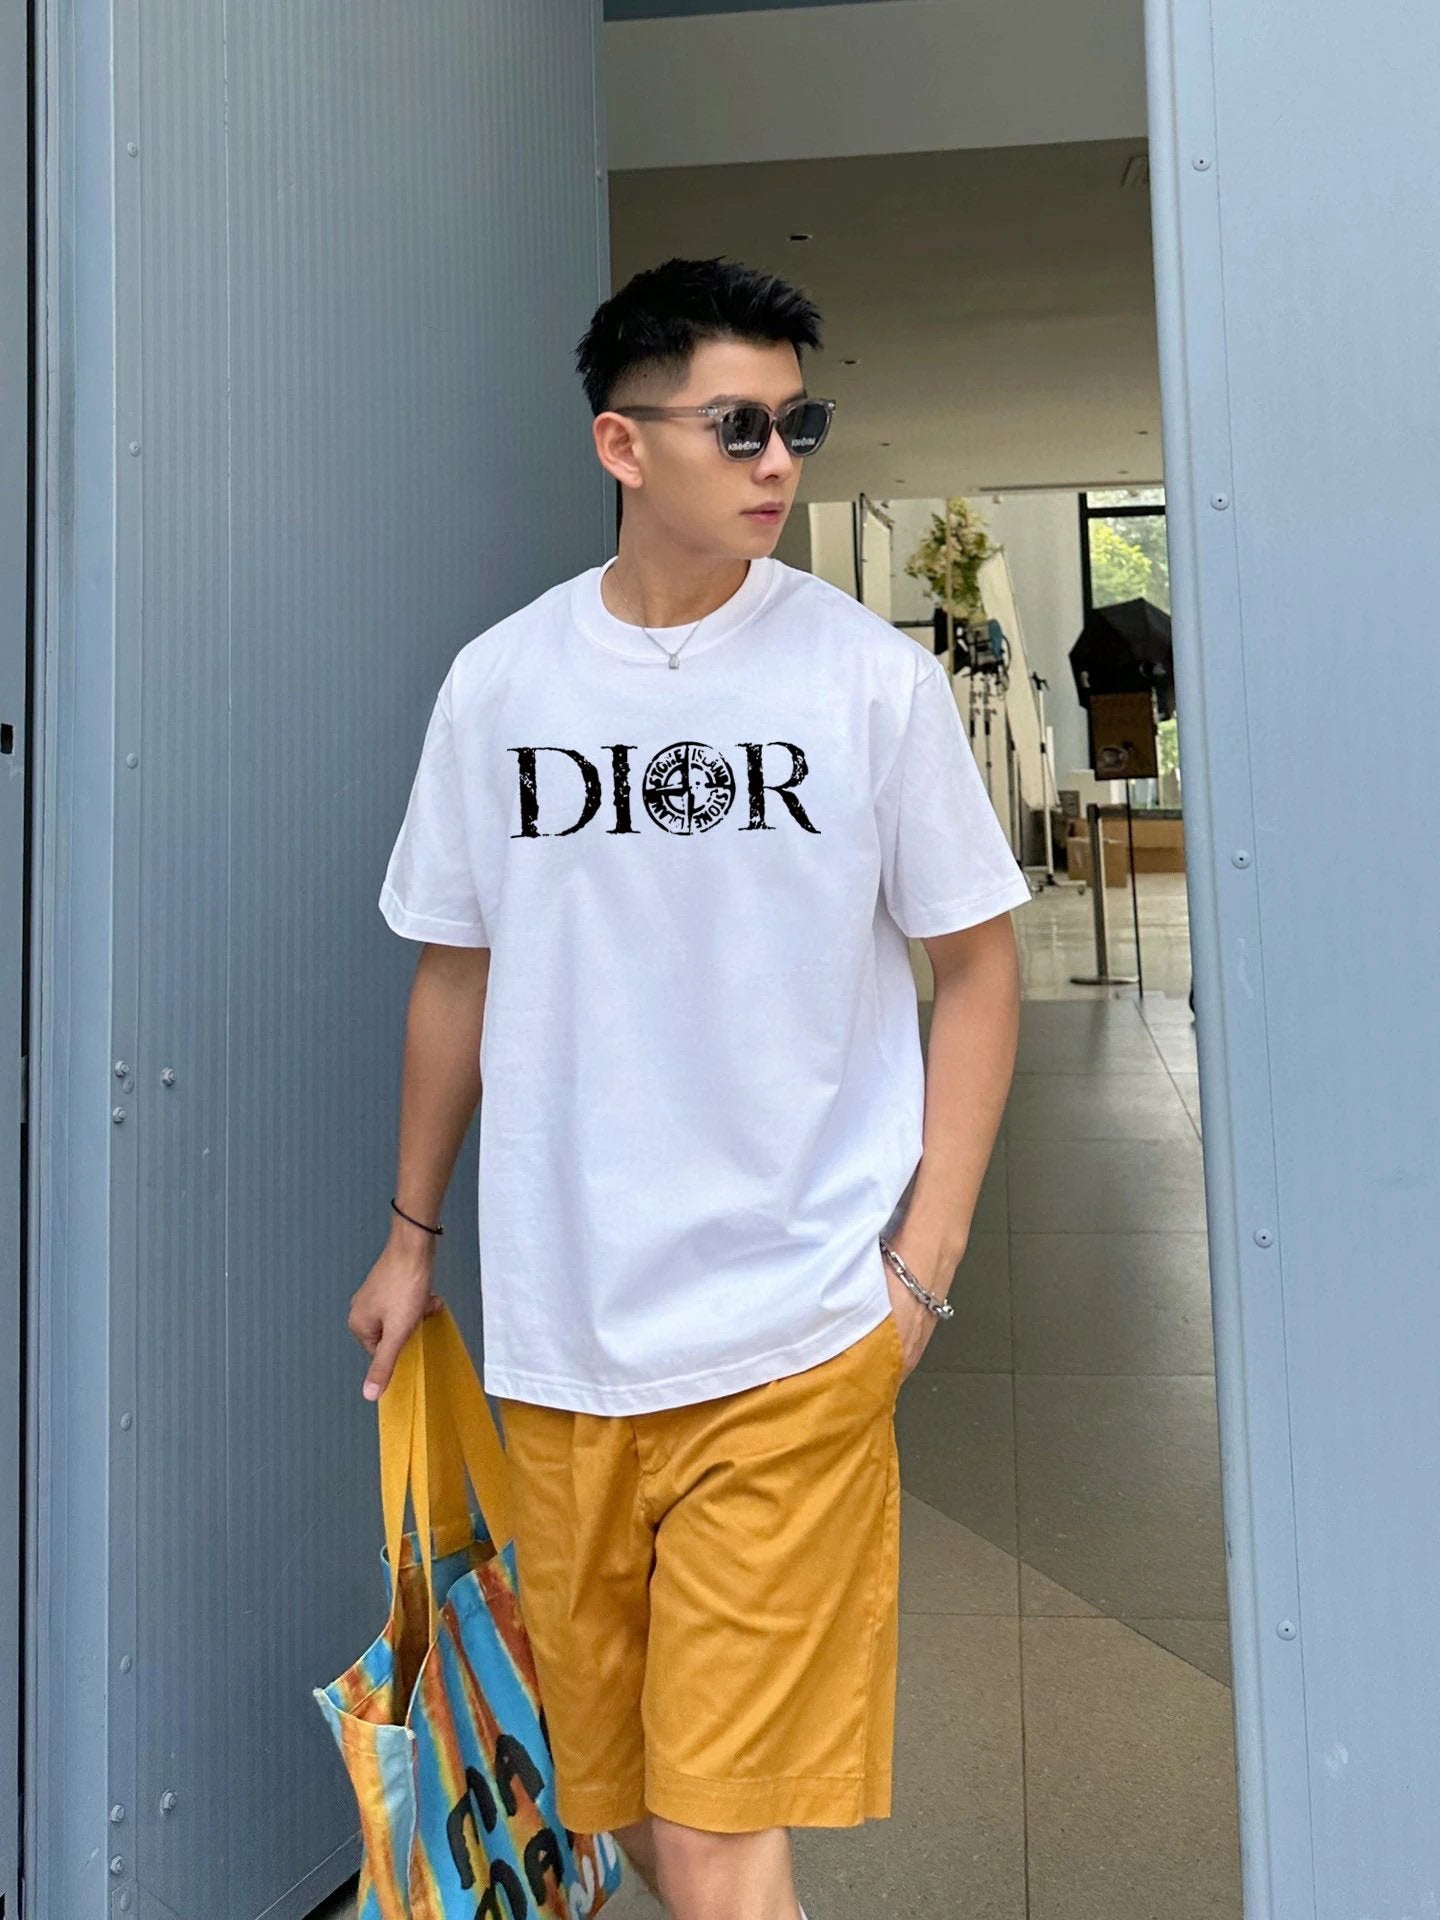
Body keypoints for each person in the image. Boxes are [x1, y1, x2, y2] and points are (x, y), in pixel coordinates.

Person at [347, 255, 1032, 1920]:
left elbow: (979, 969)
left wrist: (921, 1265)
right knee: (633, 1801)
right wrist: (410, 1236)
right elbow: (456, 971)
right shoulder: (502, 684)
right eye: (740, 426)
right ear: (622, 444)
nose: (780, 460)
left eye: (799, 423)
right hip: (567, 1344)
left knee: (720, 1830)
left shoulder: (868, 683)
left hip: (797, 1331)